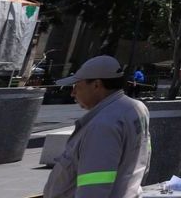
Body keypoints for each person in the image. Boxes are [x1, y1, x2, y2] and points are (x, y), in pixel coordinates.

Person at [43, 56, 150, 198]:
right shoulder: (136, 109)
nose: (73, 92)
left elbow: (93, 189)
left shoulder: (103, 125)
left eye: (77, 85)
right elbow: (143, 162)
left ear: (96, 85)